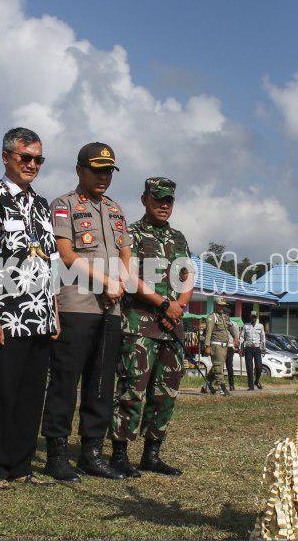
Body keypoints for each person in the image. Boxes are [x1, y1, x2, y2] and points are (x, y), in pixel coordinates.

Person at [41, 143, 132, 481]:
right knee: (65, 381)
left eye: (108, 170)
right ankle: (56, 453)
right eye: (96, 169)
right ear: (80, 169)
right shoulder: (64, 205)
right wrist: (106, 282)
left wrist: (119, 283)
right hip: (77, 306)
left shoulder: (115, 209)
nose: (103, 176)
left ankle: (91, 453)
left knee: (101, 383)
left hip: (111, 309)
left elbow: (126, 253)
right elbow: (65, 254)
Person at [0, 127, 59, 489]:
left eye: (38, 159)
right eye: (26, 157)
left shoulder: (41, 204)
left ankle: (21, 465)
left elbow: (53, 261)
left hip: (41, 313)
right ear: (7, 156)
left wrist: (54, 312)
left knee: (30, 393)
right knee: (2, 391)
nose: (32, 164)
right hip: (7, 312)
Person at [108, 177, 195, 477]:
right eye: (157, 199)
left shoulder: (180, 238)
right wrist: (163, 304)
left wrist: (179, 307)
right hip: (140, 326)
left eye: (168, 200)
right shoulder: (131, 234)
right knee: (132, 389)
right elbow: (130, 278)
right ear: (144, 199)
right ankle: (119, 453)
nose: (163, 205)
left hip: (172, 327)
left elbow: (188, 277)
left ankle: (152, 454)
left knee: (165, 393)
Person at [202, 298, 237, 396]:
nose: (222, 307)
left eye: (223, 305)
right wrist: (207, 346)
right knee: (218, 366)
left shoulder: (224, 317)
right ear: (215, 305)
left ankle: (207, 385)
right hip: (216, 345)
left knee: (217, 367)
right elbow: (208, 332)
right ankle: (221, 388)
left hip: (225, 346)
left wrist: (235, 337)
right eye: (220, 305)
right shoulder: (212, 317)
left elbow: (230, 327)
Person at [239, 311, 267, 390]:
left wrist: (264, 348)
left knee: (259, 367)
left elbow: (263, 337)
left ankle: (257, 380)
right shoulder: (245, 326)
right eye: (252, 316)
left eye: (255, 317)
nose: (253, 318)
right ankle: (250, 386)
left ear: (256, 317)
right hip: (248, 348)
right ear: (250, 317)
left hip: (257, 348)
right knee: (249, 367)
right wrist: (241, 348)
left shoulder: (260, 326)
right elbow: (241, 337)